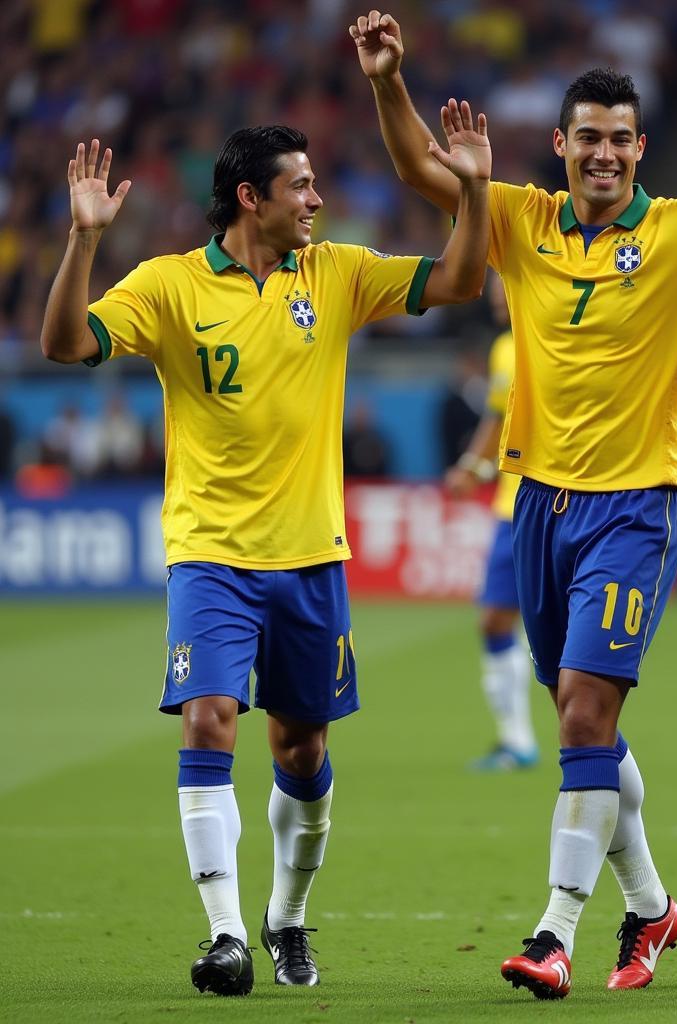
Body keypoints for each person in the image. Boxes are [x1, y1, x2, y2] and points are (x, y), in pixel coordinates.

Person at [350, 10, 677, 998]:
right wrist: (386, 83)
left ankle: (553, 931)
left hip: (635, 506)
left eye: (621, 138)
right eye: (589, 137)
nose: (605, 154)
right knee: (588, 729)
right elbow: (421, 173)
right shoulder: (521, 218)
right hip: (537, 501)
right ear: (563, 144)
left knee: (582, 716)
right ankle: (654, 906)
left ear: (640, 147)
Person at [39, 114, 491, 996]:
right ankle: (225, 938)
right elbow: (65, 343)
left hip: (311, 557)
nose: (319, 199)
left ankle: (285, 916)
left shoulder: (340, 273)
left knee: (302, 754)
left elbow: (465, 279)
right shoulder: (169, 286)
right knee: (210, 718)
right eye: (302, 186)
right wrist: (81, 242)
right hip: (209, 554)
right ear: (252, 198)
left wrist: (473, 190)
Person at [444, 273, 537, 772]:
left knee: (563, 637)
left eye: (508, 285)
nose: (498, 296)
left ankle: (588, 740)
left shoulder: (558, 335)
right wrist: (473, 468)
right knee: (495, 619)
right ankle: (517, 740)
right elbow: (498, 420)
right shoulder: (505, 348)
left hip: (559, 499)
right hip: (512, 505)